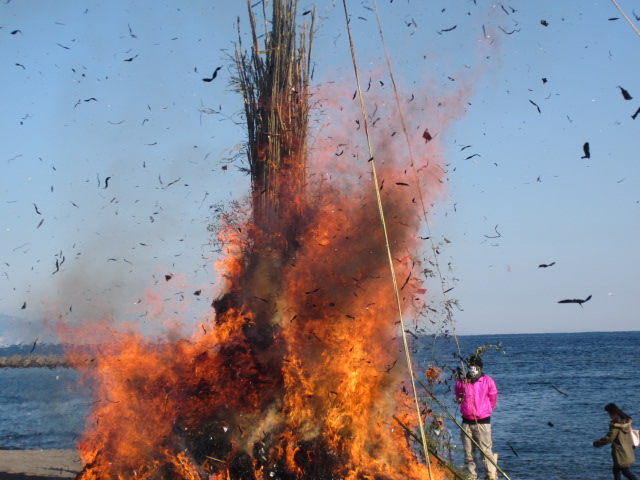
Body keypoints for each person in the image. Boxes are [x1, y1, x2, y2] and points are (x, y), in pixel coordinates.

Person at [455, 355, 498, 480]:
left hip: (482, 422)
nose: (471, 369)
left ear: (479, 367)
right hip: (467, 421)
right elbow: (458, 395)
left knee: (485, 451)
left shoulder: (487, 381)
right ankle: (471, 476)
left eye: (474, 366)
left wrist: (486, 410)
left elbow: (493, 398)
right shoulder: (462, 382)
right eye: (470, 366)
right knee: (469, 452)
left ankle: (490, 475)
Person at [593, 403, 639, 480]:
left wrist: (597, 443)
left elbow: (610, 438)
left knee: (625, 471)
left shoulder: (616, 425)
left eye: (608, 413)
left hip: (620, 452)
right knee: (616, 470)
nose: (608, 415)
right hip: (627, 449)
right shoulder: (625, 420)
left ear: (612, 413)